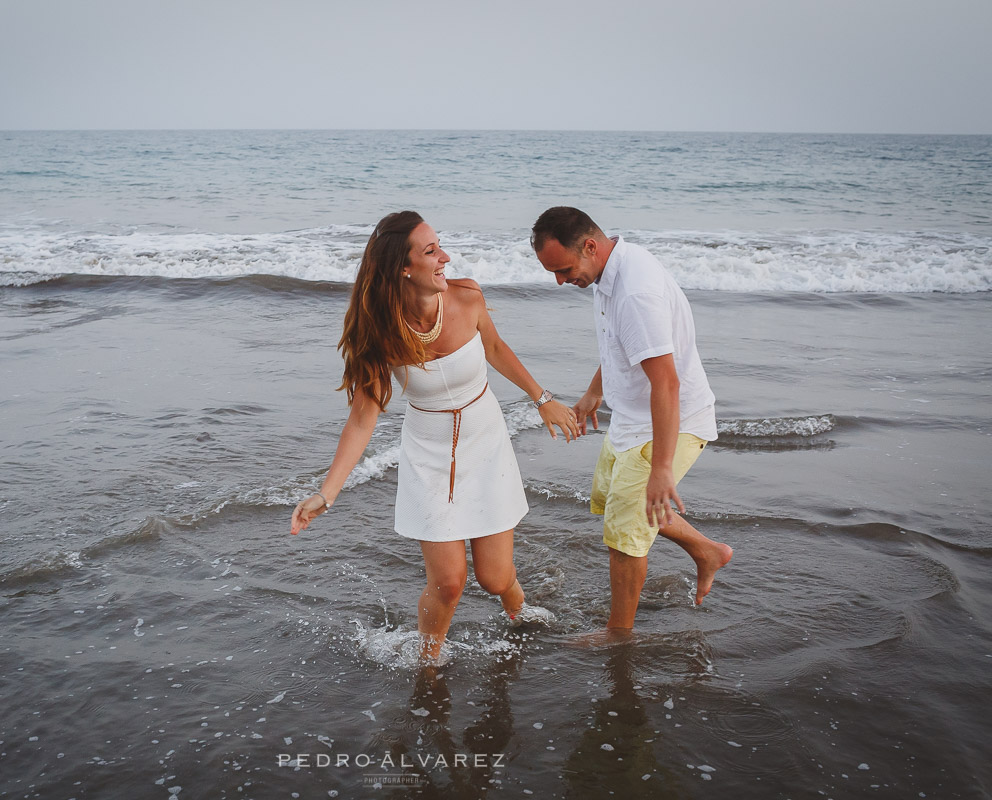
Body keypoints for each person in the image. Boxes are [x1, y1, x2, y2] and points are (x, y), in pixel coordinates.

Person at [290, 210, 580, 662]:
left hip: (485, 440)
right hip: (428, 451)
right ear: (403, 268)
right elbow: (363, 418)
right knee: (448, 583)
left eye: (440, 246)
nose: (444, 257)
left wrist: (543, 398)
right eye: (430, 252)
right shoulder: (381, 335)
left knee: (495, 577)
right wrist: (326, 494)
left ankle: (519, 609)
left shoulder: (467, 298)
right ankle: (428, 664)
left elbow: (497, 350)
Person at [531, 206, 733, 636]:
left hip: (669, 420)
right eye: (553, 273)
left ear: (589, 246)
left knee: (623, 534)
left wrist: (662, 468)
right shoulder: (609, 271)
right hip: (632, 415)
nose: (561, 282)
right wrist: (594, 392)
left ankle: (618, 635)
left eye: (564, 270)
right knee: (613, 500)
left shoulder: (635, 291)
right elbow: (623, 344)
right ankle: (706, 550)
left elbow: (667, 385)